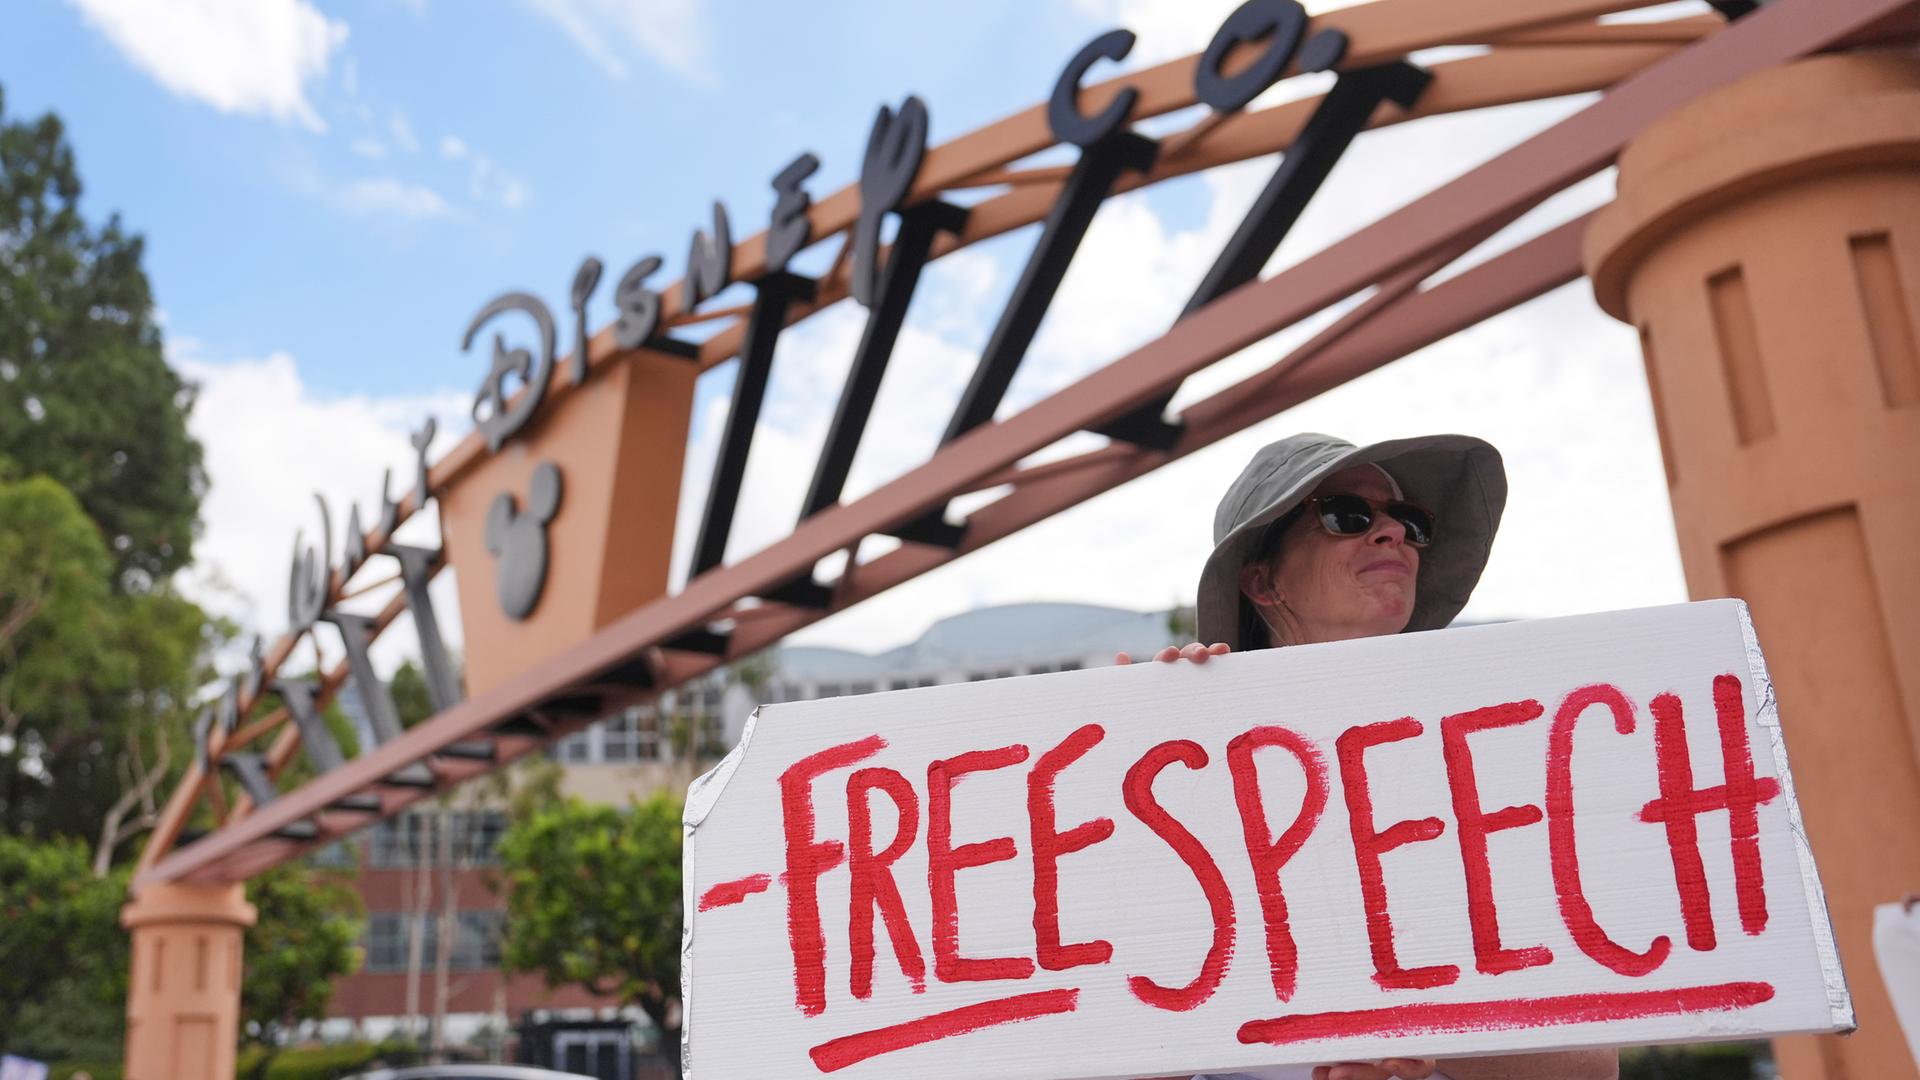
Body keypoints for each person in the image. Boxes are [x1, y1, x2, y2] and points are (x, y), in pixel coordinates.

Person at [1120, 433, 1619, 1080]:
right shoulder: (1180, 772)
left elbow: (1591, 1065)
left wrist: (1416, 1023)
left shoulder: (1490, 770)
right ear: (1262, 582)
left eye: (1410, 521)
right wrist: (1129, 761)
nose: (1395, 533)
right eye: (1347, 515)